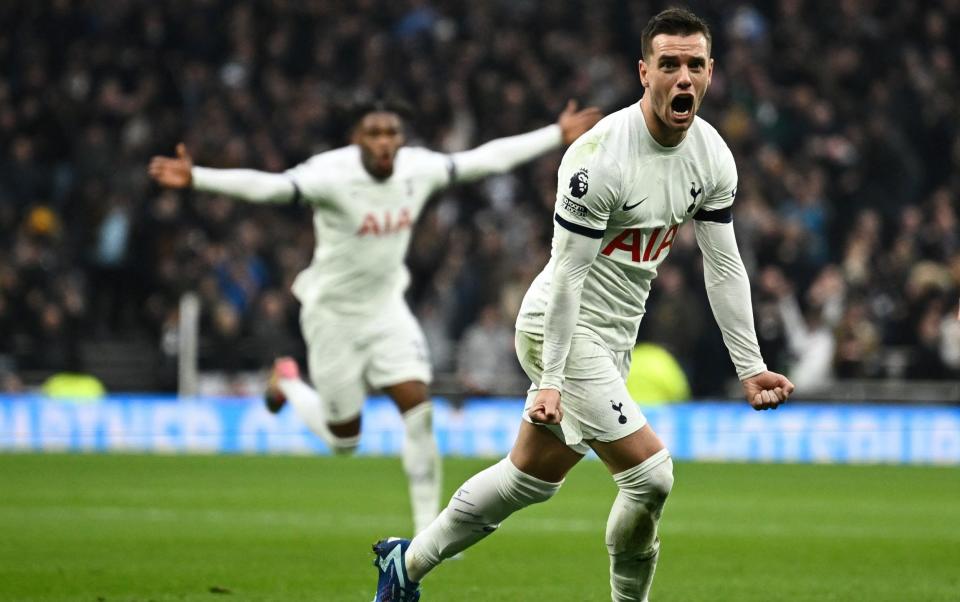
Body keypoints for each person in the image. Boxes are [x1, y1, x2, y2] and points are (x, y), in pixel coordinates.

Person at [371, 9, 795, 602]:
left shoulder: (712, 156)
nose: (683, 77)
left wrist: (750, 367)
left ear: (710, 72)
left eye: (694, 65)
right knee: (651, 476)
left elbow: (722, 265)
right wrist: (550, 379)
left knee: (527, 481)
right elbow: (568, 274)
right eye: (668, 64)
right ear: (643, 72)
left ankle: (405, 566)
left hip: (612, 339)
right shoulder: (599, 160)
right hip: (558, 330)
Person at [148, 99, 601, 535]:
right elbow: (270, 187)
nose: (385, 142)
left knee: (418, 409)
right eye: (374, 133)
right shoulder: (330, 174)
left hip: (386, 310)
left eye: (392, 133)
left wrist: (554, 134)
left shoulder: (416, 169)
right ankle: (285, 379)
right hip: (332, 315)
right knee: (343, 439)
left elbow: (482, 160)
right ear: (356, 139)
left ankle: (430, 529)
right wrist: (198, 178)